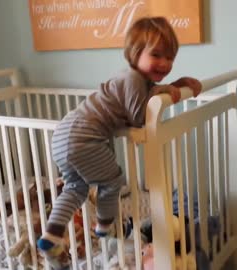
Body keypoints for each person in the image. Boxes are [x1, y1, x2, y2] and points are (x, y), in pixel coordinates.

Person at [37, 16, 202, 269]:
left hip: (64, 136)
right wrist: (164, 90)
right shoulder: (133, 79)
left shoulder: (138, 81)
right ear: (135, 54)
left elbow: (147, 98)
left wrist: (172, 86)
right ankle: (106, 226)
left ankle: (52, 234)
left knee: (76, 188)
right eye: (157, 55)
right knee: (113, 180)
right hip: (83, 136)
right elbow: (138, 118)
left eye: (170, 57)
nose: (165, 63)